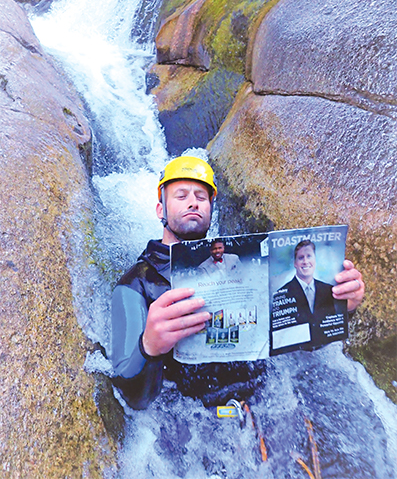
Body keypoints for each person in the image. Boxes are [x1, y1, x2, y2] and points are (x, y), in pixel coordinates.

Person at [110, 156, 365, 409]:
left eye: (201, 197)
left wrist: (339, 307)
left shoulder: (241, 262)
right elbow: (132, 398)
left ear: (210, 209)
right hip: (191, 417)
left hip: (265, 401)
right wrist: (150, 346)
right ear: (160, 210)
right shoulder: (136, 284)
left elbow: (296, 339)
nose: (193, 203)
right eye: (181, 196)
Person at [272, 240, 359, 353]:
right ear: (295, 263)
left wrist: (350, 307)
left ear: (315, 260)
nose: (305, 261)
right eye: (300, 258)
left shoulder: (328, 289)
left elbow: (332, 331)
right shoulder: (281, 294)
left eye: (309, 256)